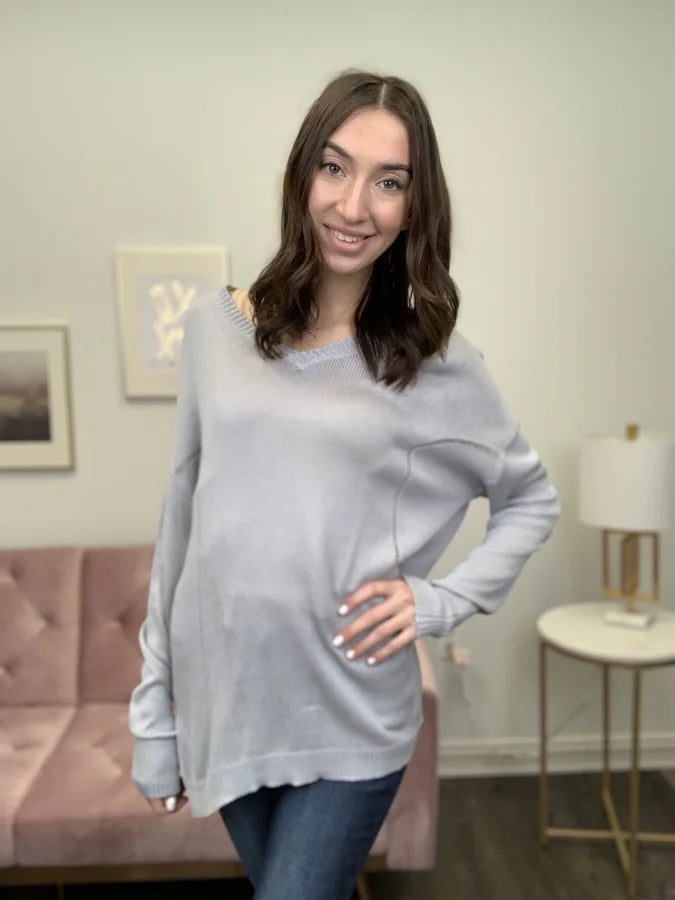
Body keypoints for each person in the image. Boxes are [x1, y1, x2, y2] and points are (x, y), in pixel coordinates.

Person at [128, 68, 561, 899]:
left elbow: (531, 498)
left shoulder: (434, 363)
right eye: (334, 167)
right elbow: (181, 517)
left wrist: (438, 601)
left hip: (350, 712)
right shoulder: (216, 329)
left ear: (415, 206)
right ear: (302, 174)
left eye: (388, 182)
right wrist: (155, 715)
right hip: (225, 707)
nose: (353, 205)